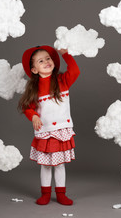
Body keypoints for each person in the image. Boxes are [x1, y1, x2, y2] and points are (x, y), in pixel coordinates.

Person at [18, 45, 80, 205]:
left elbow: (75, 71)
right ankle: (45, 193)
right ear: (34, 69)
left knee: (59, 164)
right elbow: (27, 107)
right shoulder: (34, 88)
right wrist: (33, 117)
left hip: (61, 130)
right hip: (45, 131)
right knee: (45, 166)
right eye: (41, 61)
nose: (46, 62)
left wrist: (66, 54)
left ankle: (61, 194)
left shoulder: (62, 80)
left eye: (48, 58)